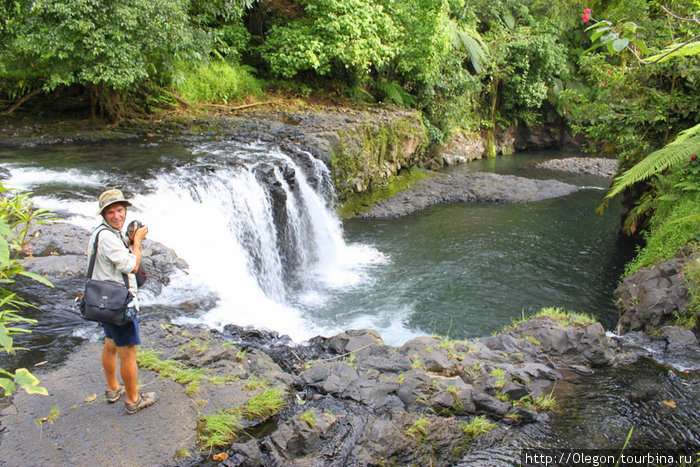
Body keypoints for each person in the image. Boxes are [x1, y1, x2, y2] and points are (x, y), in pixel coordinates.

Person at [88, 189, 158, 414]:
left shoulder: (102, 232)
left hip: (104, 301)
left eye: (120, 210)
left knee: (110, 343)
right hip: (118, 302)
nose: (117, 216)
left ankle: (113, 388)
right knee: (128, 350)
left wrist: (128, 240)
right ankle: (133, 400)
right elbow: (132, 266)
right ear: (103, 214)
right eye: (111, 212)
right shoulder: (109, 237)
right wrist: (137, 242)